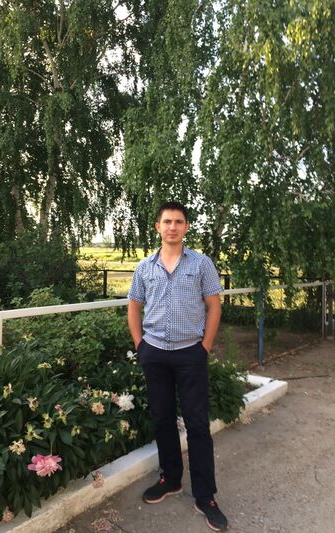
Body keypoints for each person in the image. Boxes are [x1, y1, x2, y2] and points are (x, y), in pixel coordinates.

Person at [127, 201, 228, 532]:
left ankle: (205, 496)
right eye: (167, 221)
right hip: (154, 354)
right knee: (162, 419)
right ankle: (170, 479)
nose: (172, 227)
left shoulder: (201, 264)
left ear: (186, 227)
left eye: (179, 221)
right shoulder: (144, 267)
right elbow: (134, 306)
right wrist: (140, 345)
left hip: (190, 355)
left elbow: (214, 306)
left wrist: (205, 347)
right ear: (158, 226)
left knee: (197, 424)